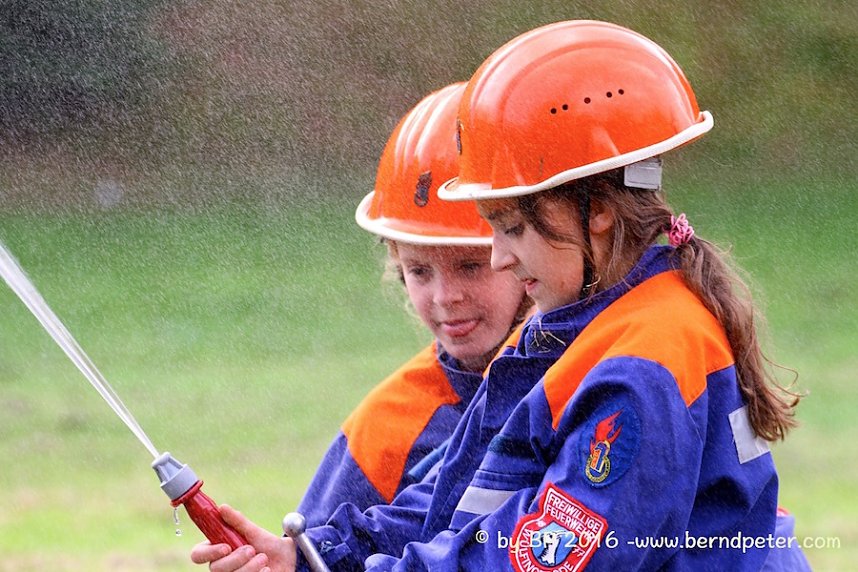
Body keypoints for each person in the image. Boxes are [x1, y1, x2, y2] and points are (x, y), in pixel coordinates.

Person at [191, 20, 808, 571]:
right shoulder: (588, 329)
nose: (500, 255)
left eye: (511, 227)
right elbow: (460, 497)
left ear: (592, 212)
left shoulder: (645, 362)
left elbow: (546, 557)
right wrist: (313, 557)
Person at [296, 81, 529, 528]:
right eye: (420, 271)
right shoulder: (385, 431)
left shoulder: (586, 371)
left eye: (470, 266)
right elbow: (307, 554)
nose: (445, 297)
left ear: (525, 248)